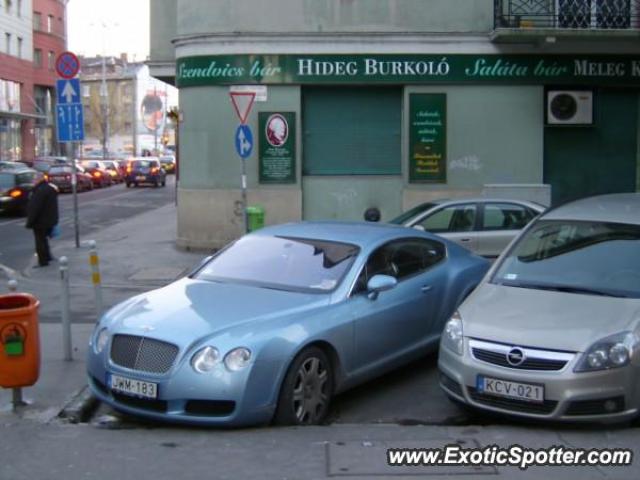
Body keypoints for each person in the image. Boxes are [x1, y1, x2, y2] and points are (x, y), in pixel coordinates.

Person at [26, 172, 59, 267]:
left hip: (40, 221)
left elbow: (35, 208)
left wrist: (30, 222)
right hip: (49, 220)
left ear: (39, 179)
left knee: (40, 241)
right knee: (44, 240)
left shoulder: (39, 191)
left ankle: (43, 261)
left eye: (34, 179)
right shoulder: (50, 189)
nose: (33, 181)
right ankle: (48, 256)